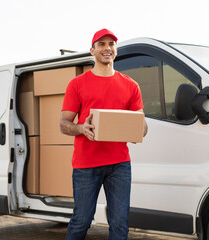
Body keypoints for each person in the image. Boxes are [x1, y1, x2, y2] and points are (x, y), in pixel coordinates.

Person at [60, 28, 148, 240]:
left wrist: (137, 129)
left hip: (119, 164)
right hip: (86, 164)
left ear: (116, 50)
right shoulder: (77, 84)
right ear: (93, 50)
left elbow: (141, 125)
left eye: (111, 44)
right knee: (81, 221)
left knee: (120, 224)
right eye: (101, 44)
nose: (107, 48)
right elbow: (63, 124)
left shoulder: (131, 85)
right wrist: (81, 128)